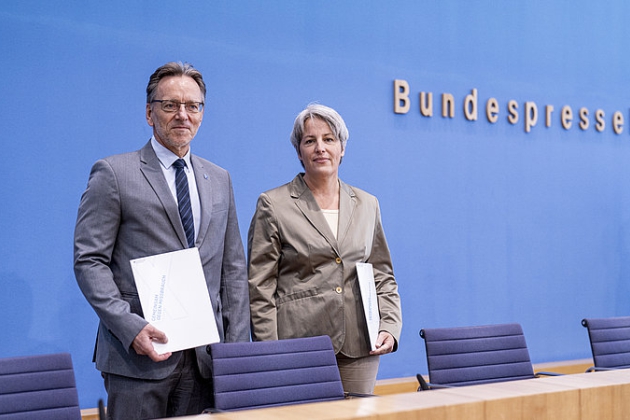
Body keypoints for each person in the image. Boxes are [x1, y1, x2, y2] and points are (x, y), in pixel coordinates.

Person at [74, 61, 250, 419]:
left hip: (204, 360)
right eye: (170, 105)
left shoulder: (219, 179)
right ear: (149, 112)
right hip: (138, 357)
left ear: (202, 113)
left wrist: (235, 353)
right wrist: (130, 327)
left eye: (193, 106)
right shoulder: (114, 173)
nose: (182, 115)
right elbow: (89, 261)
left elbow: (232, 269)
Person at [247, 103, 402, 394]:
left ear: (342, 148)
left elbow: (382, 274)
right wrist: (270, 351)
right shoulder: (273, 204)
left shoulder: (367, 204)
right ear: (299, 152)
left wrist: (389, 326)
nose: (320, 147)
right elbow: (260, 286)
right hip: (299, 347)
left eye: (329, 139)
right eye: (310, 141)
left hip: (360, 345)